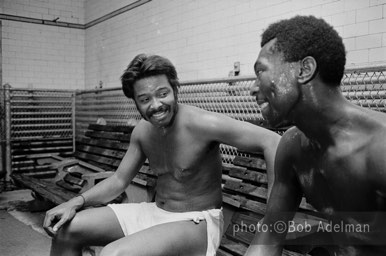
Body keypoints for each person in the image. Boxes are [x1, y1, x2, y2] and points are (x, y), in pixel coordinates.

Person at [43, 54, 281, 256]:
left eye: (162, 93)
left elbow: (272, 141)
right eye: (145, 99)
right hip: (154, 211)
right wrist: (74, 202)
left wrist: (272, 217)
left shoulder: (203, 123)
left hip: (196, 221)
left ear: (175, 89)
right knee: (65, 228)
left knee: (114, 254)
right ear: (135, 103)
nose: (156, 105)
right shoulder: (142, 132)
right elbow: (118, 181)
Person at [246, 15, 386, 256]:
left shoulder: (380, 149)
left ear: (305, 69)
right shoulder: (292, 147)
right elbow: (270, 233)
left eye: (261, 71)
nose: (252, 88)